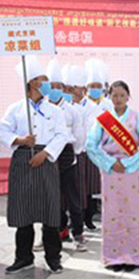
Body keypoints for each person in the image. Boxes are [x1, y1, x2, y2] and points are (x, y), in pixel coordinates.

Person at [0, 55, 68, 274]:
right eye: (43, 79)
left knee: (50, 211)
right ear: (32, 82)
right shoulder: (15, 108)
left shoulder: (55, 111)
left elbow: (62, 135)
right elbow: (3, 132)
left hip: (46, 161)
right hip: (22, 161)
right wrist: (20, 140)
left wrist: (45, 153)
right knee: (23, 211)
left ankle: (53, 258)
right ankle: (23, 257)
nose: (47, 84)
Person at [86, 80, 139, 271]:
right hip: (110, 172)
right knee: (112, 213)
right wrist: (109, 163)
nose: (118, 99)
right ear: (109, 97)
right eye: (114, 95)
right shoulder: (103, 120)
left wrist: (129, 163)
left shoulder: (137, 117)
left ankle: (134, 256)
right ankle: (113, 256)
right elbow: (91, 145)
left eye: (122, 95)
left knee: (133, 213)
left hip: (131, 170)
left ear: (128, 97)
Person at [45, 59, 87, 251]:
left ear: (63, 88)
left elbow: (79, 135)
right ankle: (55, 232)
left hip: (67, 156)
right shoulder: (42, 108)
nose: (55, 89)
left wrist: (74, 154)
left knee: (72, 197)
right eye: (51, 86)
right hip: (47, 155)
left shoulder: (72, 110)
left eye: (58, 86)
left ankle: (78, 233)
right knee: (51, 198)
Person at [78, 58, 113, 230]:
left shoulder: (108, 104)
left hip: (104, 151)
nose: (95, 89)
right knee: (87, 186)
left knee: (100, 186)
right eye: (92, 86)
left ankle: (98, 215)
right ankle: (85, 217)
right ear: (87, 88)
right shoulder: (82, 105)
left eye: (98, 86)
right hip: (87, 151)